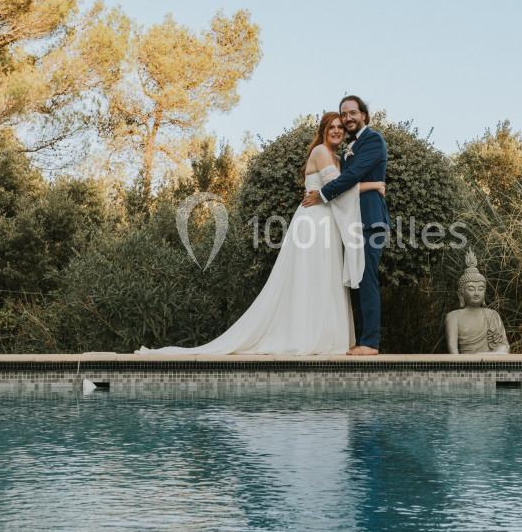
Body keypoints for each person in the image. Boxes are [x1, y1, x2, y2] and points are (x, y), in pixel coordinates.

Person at [138, 112, 385, 355]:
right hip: (313, 222)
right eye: (331, 126)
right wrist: (375, 184)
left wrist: (367, 185)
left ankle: (326, 336)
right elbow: (336, 188)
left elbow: (342, 187)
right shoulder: (321, 152)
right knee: (310, 277)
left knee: (325, 277)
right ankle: (308, 336)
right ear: (322, 130)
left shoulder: (337, 157)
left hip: (328, 222)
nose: (337, 131)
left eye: (340, 127)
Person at [302, 95, 390, 355]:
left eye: (353, 113)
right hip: (350, 221)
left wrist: (323, 194)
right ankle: (361, 340)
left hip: (369, 218)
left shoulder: (373, 140)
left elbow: (351, 177)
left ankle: (371, 343)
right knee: (356, 278)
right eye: (345, 114)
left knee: (367, 277)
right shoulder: (348, 148)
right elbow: (348, 180)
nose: (348, 118)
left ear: (364, 114)